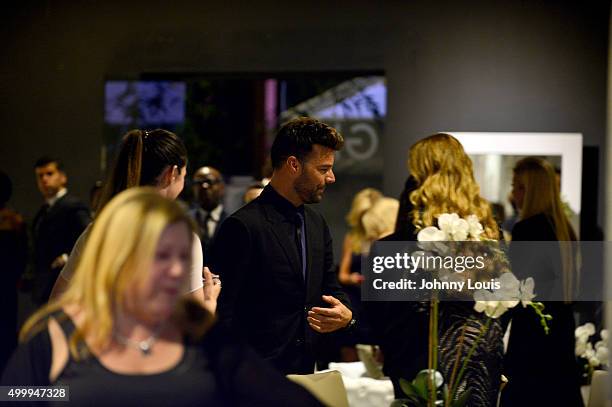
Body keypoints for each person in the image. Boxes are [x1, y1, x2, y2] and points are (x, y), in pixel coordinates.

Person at [1, 188, 322, 407]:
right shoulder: (59, 336)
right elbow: (15, 395)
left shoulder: (202, 337)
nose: (175, 270)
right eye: (159, 256)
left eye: (182, 257)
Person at [210, 117, 353, 375]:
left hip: (307, 372)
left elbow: (329, 288)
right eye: (323, 169)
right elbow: (223, 312)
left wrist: (345, 315)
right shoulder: (243, 226)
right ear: (293, 165)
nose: (331, 178)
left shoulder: (316, 223)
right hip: (254, 377)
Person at [369, 134, 503, 406]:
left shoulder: (404, 242)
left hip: (418, 356)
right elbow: (500, 301)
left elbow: (387, 311)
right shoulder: (485, 231)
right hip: (478, 353)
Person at [50, 129, 205, 305]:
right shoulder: (182, 239)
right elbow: (193, 325)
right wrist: (210, 301)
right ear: (172, 174)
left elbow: (58, 302)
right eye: (184, 175)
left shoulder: (98, 231)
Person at [501, 157, 583, 407]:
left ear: (531, 189)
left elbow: (514, 289)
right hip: (560, 335)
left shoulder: (529, 229)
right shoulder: (564, 229)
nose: (512, 193)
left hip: (532, 340)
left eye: (518, 186)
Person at [31, 156, 90, 306]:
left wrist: (66, 258)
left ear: (62, 177)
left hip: (63, 286)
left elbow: (90, 240)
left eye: (49, 174)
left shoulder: (73, 206)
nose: (44, 179)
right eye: (40, 175)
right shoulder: (43, 210)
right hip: (43, 286)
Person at [0, 171, 27, 371]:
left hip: (6, 284)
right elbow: (23, 254)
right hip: (8, 284)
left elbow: (22, 254)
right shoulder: (15, 220)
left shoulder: (14, 220)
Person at [189, 166, 227, 253]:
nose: (204, 186)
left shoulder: (232, 220)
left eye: (209, 181)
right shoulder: (185, 221)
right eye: (198, 183)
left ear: (221, 187)